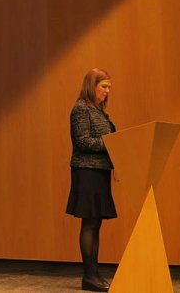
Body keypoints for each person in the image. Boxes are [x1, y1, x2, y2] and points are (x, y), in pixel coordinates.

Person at [66, 68, 116, 292]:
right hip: (86, 172)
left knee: (96, 223)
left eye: (108, 88)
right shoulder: (80, 109)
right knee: (89, 223)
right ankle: (89, 276)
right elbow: (83, 142)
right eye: (103, 86)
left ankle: (94, 274)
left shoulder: (99, 111)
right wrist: (112, 143)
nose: (107, 91)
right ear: (91, 85)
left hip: (100, 172)